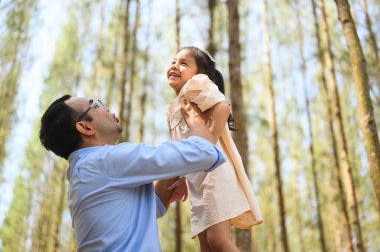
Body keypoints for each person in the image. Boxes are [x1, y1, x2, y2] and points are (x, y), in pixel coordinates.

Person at [39, 94, 227, 252]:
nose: (107, 108)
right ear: (85, 127)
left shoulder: (84, 173)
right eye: (95, 104)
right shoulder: (104, 161)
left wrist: (177, 172)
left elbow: (151, 205)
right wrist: (195, 120)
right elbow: (204, 153)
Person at [166, 46, 263, 252]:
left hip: (214, 173)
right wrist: (184, 178)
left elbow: (222, 107)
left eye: (184, 63)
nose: (175, 66)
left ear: (200, 73)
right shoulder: (172, 107)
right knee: (206, 245)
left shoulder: (196, 84)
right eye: (174, 61)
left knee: (218, 240)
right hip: (197, 181)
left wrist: (206, 145)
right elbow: (183, 147)